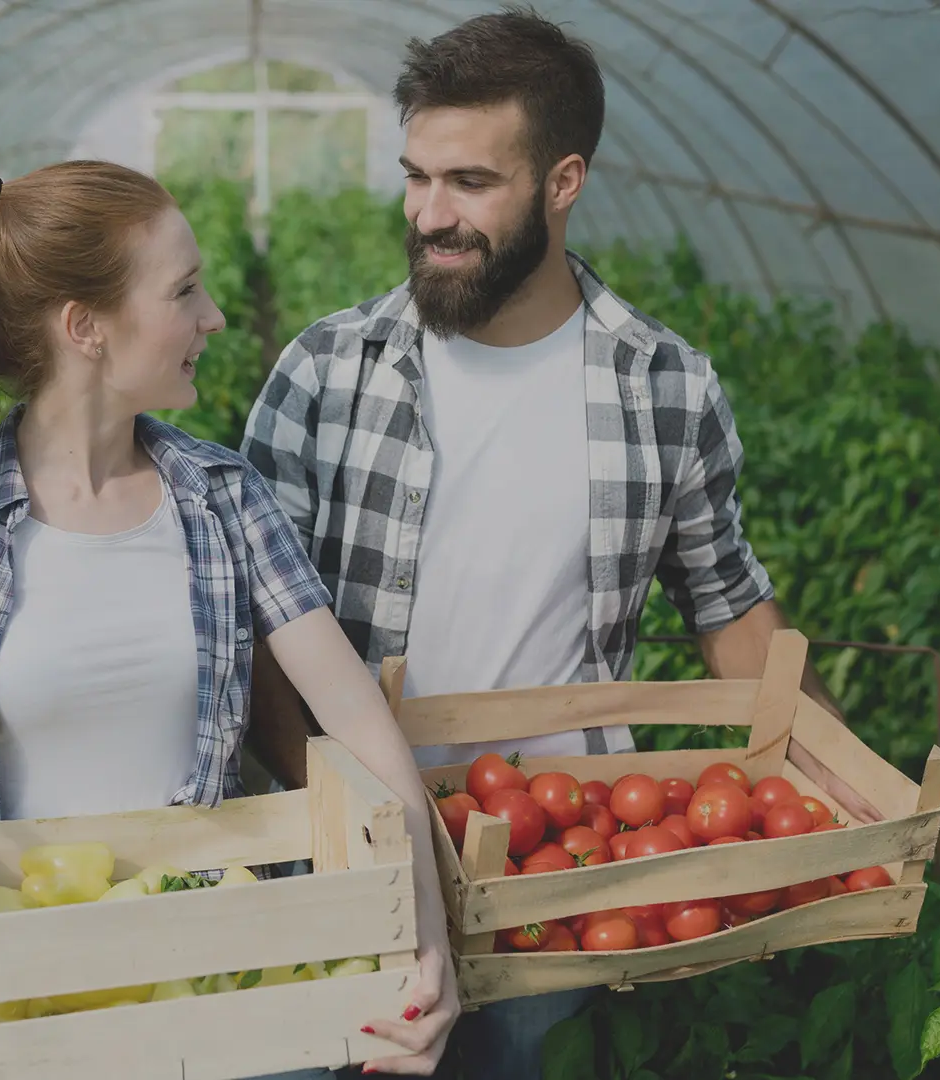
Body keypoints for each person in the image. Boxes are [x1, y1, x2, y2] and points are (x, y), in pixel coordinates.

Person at [239, 8, 881, 1078]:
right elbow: (258, 633)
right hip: (348, 865)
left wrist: (850, 783)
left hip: (561, 865)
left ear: (562, 180)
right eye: (416, 177)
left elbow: (727, 608)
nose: (429, 215)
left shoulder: (663, 385)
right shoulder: (327, 370)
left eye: (469, 184)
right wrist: (334, 808)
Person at [0, 160, 458, 1080]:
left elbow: (356, 718)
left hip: (226, 985)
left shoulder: (221, 498)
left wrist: (427, 935)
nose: (211, 316)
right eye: (184, 291)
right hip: (32, 1000)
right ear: (86, 328)